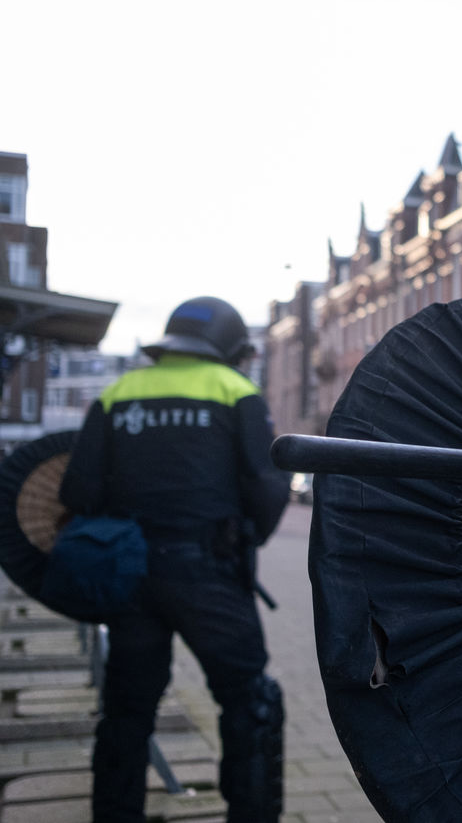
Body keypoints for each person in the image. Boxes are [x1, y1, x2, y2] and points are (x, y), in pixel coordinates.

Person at [60, 296, 290, 823]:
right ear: (231, 347)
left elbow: (78, 491)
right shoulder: (235, 391)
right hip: (209, 572)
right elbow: (268, 485)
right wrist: (245, 540)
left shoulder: (119, 393)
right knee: (248, 701)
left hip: (131, 577)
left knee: (126, 709)